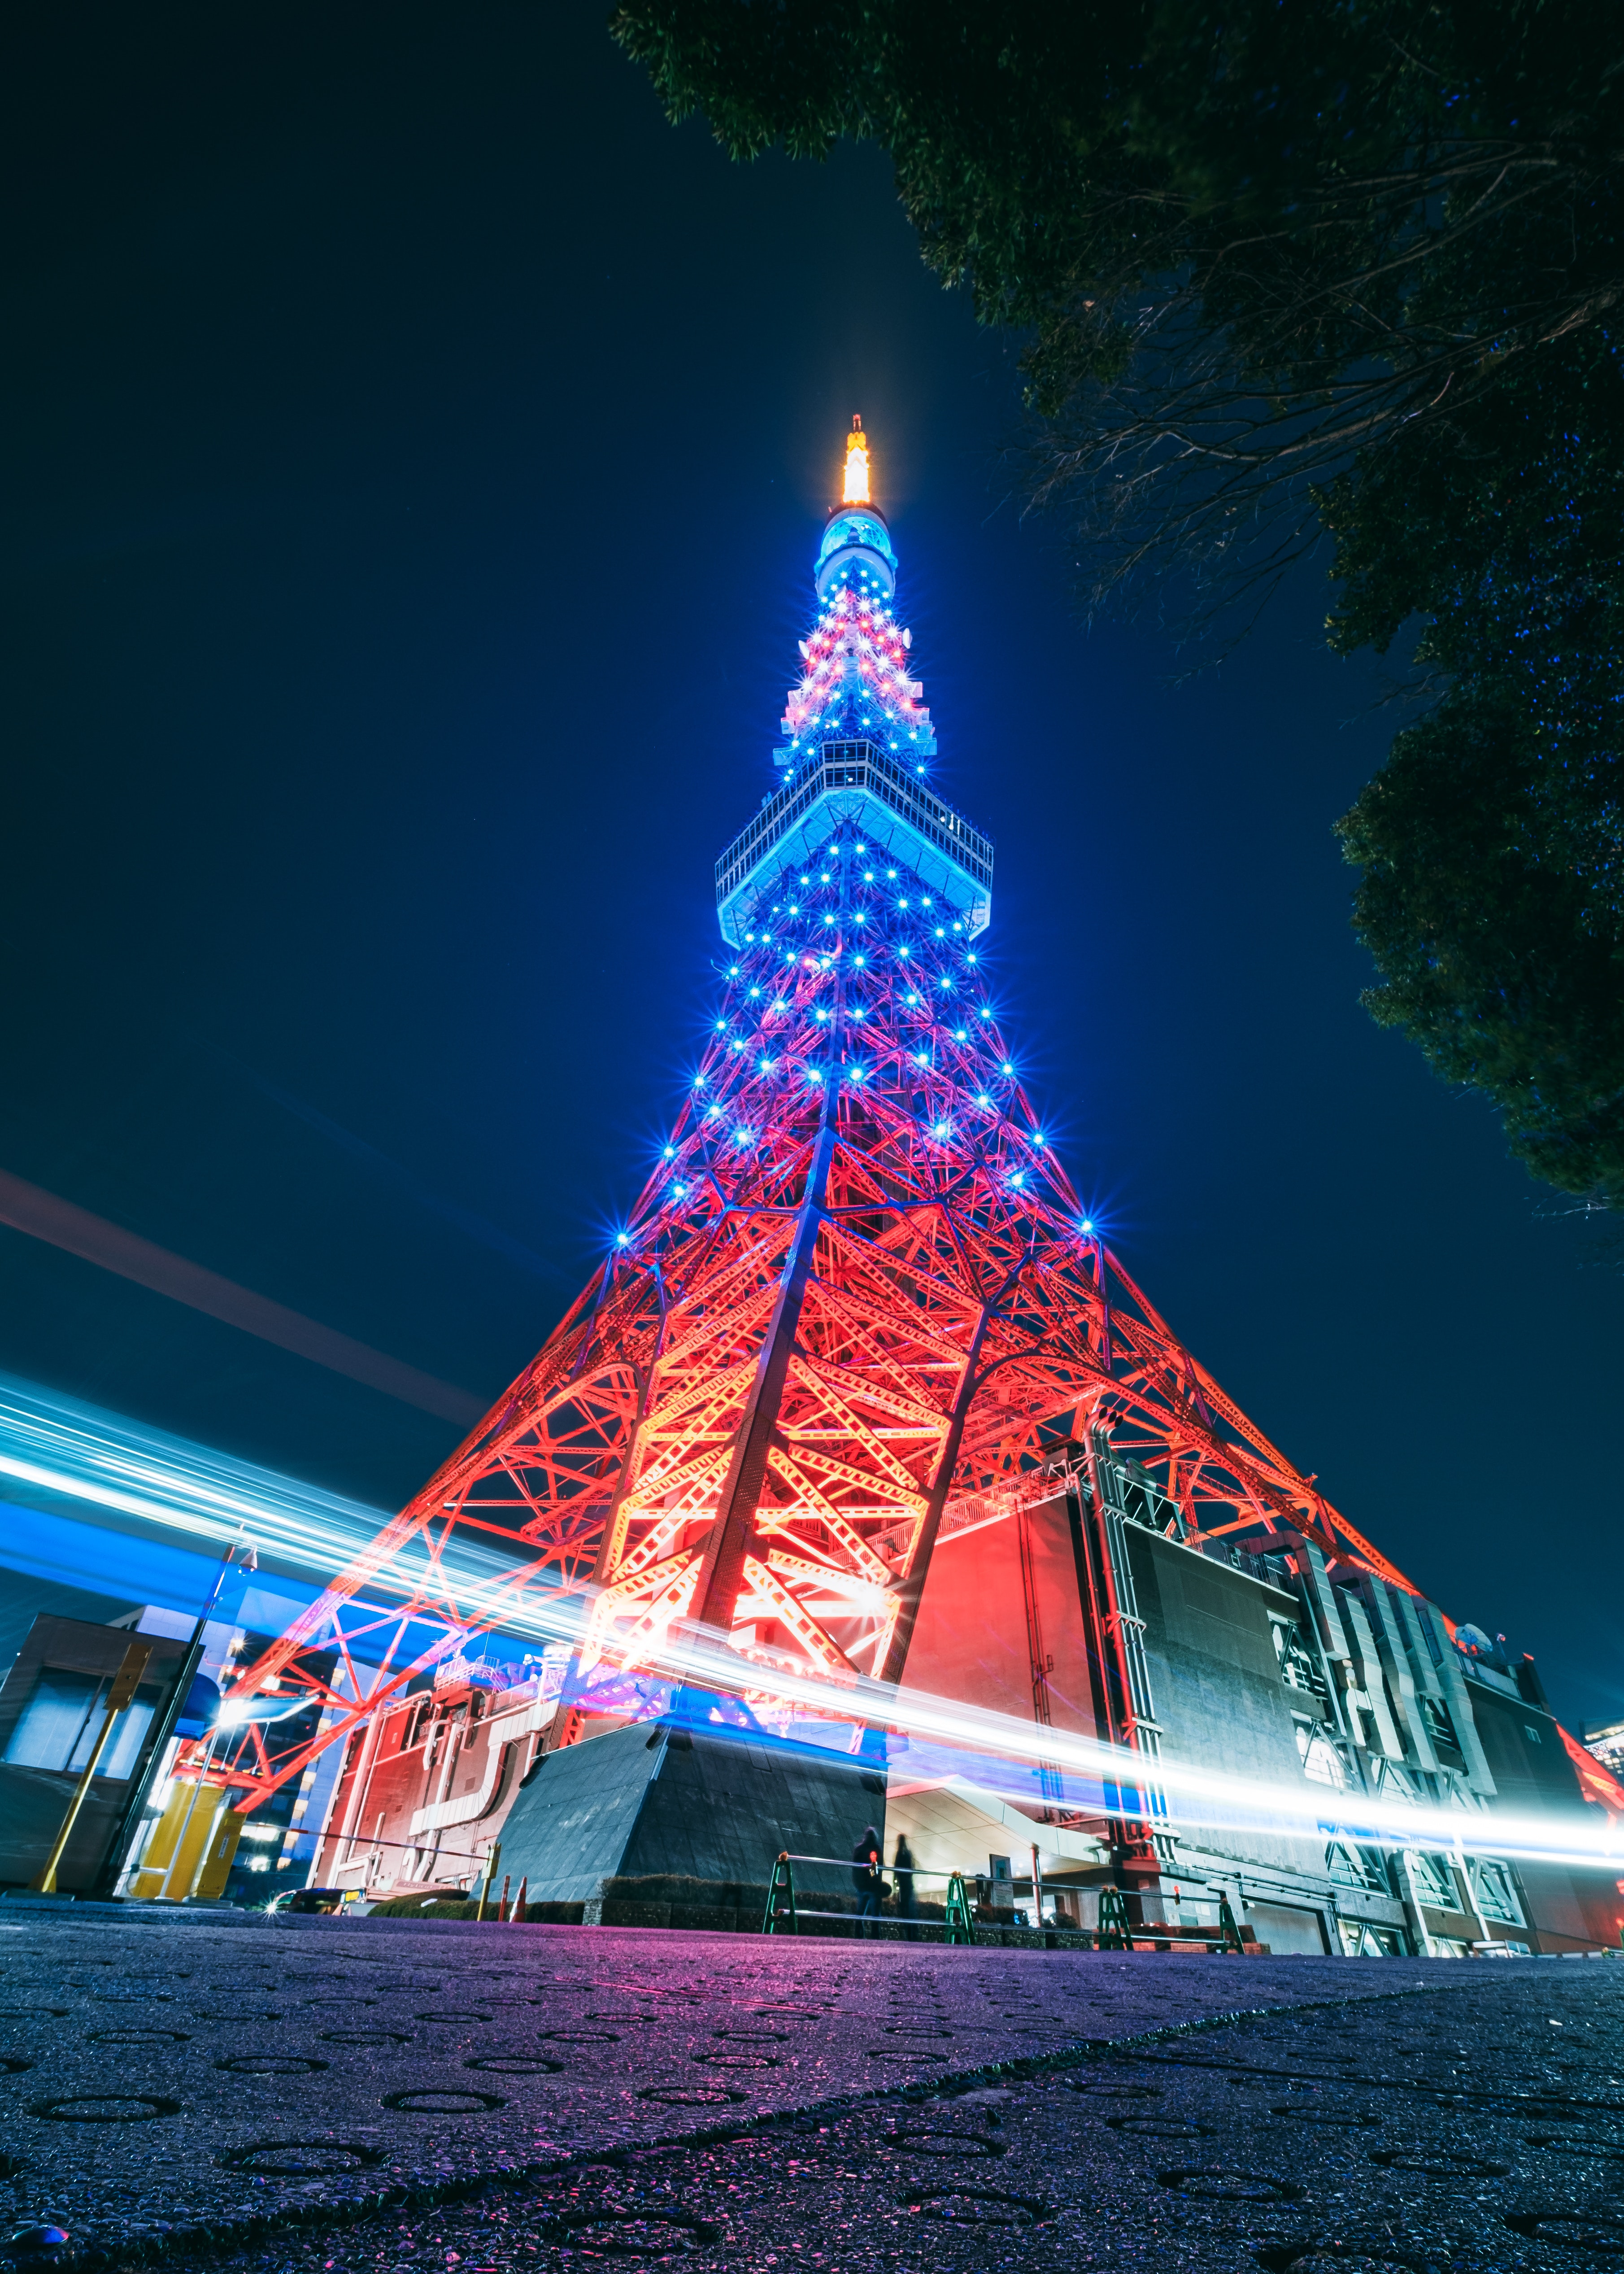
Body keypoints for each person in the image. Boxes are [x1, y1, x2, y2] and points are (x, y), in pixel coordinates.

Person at [851, 1824, 887, 1938]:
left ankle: (859, 1936)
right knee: (875, 1915)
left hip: (861, 1886)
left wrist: (858, 1883)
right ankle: (876, 1937)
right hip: (873, 1887)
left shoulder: (859, 1849)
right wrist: (875, 1880)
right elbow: (875, 1868)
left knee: (860, 1914)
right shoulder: (875, 1849)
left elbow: (855, 1868)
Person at [893, 1832, 917, 1942]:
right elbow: (911, 1869)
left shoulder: (899, 1854)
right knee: (910, 1910)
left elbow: (896, 1870)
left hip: (903, 1886)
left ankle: (908, 1935)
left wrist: (896, 1883)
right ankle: (913, 1935)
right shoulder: (908, 1853)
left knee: (904, 1909)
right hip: (909, 1885)